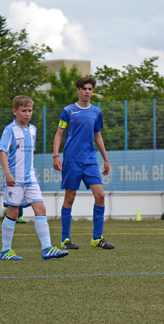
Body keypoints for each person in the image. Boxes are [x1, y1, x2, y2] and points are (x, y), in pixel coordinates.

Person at [0, 95, 69, 260]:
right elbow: (3, 152)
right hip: (14, 179)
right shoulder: (10, 130)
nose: (27, 113)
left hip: (30, 179)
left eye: (30, 110)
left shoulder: (33, 129)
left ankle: (47, 248)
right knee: (14, 212)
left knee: (41, 209)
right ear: (15, 111)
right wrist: (8, 173)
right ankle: (5, 251)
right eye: (23, 110)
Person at [53, 77, 114, 250]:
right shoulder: (68, 111)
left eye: (90, 89)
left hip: (90, 162)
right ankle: (65, 240)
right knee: (70, 198)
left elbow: (98, 136)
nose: (87, 92)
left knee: (100, 195)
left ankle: (97, 238)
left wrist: (106, 159)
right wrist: (56, 156)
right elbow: (59, 134)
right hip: (72, 160)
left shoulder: (96, 112)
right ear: (78, 90)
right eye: (84, 89)